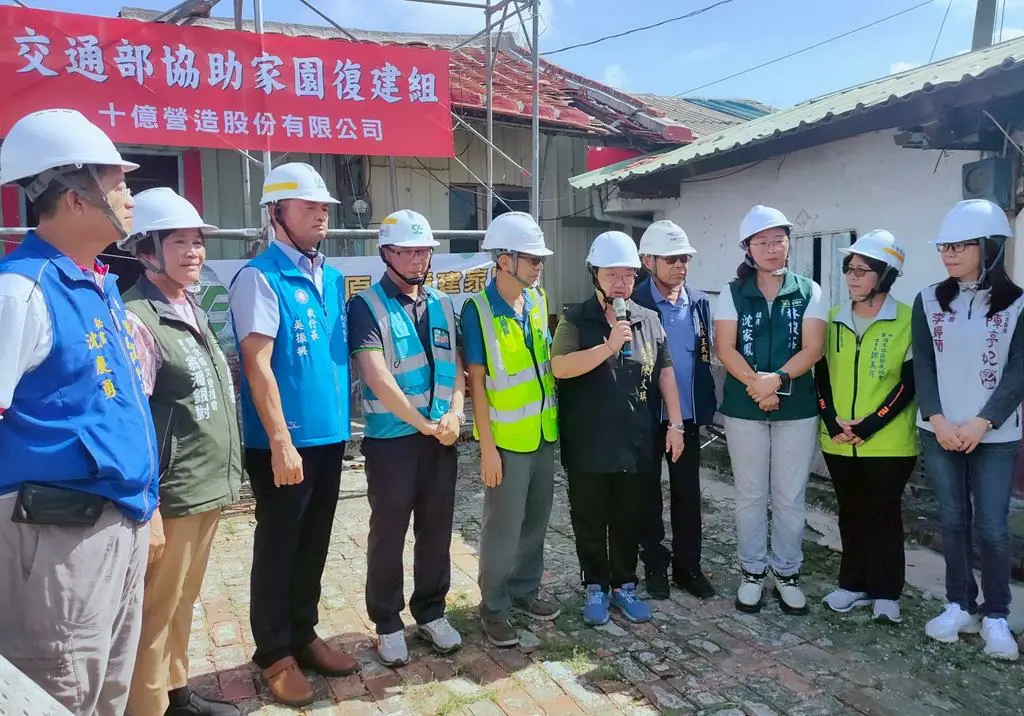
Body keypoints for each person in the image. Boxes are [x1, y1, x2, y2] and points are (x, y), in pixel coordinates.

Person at [0, 108, 157, 716]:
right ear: (73, 198)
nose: (130, 198)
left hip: (116, 522)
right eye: (117, 184)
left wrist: (147, 504)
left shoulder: (95, 284)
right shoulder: (22, 290)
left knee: (107, 693)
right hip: (56, 538)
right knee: (58, 693)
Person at [230, 163, 356, 707]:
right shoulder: (260, 277)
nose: (320, 215)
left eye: (323, 207)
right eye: (308, 207)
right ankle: (274, 652)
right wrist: (281, 441)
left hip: (329, 436)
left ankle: (303, 632)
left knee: (315, 542)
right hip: (284, 443)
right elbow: (257, 365)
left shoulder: (332, 276)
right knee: (279, 546)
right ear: (275, 213)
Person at [120, 188, 243, 716]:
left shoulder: (187, 303)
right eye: (179, 242)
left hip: (205, 484)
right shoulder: (136, 318)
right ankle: (146, 706)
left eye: (197, 241)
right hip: (173, 493)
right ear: (146, 250)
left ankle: (177, 694)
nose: (194, 252)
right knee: (154, 610)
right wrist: (148, 504)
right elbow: (133, 421)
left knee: (183, 599)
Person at [349, 209, 466, 666]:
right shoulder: (366, 306)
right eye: (408, 251)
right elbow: (376, 376)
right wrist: (423, 423)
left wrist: (455, 413)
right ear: (386, 253)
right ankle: (387, 622)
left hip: (441, 438)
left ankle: (432, 611)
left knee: (436, 530)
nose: (418, 259)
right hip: (393, 442)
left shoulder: (442, 302)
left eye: (424, 251)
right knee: (389, 533)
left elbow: (456, 367)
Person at [551, 231, 684, 627]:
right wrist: (608, 347)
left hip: (637, 440)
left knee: (629, 518)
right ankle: (595, 585)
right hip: (588, 441)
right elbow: (560, 367)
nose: (621, 283)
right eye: (612, 275)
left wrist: (676, 424)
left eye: (628, 275)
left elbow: (665, 371)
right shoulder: (576, 318)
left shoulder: (648, 318)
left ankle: (625, 584)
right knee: (590, 519)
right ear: (594, 275)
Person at [913, 199, 1024, 661]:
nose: (949, 254)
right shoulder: (928, 300)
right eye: (945, 246)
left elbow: (1018, 371)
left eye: (960, 245)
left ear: (989, 247)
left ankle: (996, 613)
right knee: (953, 520)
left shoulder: (1018, 304)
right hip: (940, 431)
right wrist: (937, 419)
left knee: (992, 527)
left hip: (994, 436)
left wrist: (983, 421)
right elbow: (922, 364)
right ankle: (959, 603)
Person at [714, 205, 827, 616]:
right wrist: (757, 386)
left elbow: (813, 348)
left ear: (788, 244)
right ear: (748, 248)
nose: (771, 248)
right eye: (762, 242)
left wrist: (775, 381)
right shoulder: (732, 293)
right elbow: (725, 348)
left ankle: (787, 572)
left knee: (789, 495)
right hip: (745, 407)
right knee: (750, 493)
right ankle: (752, 571)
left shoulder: (809, 291)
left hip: (796, 408)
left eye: (778, 240)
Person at [462, 212, 561, 647]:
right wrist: (486, 448)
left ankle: (525, 590)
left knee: (537, 520)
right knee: (502, 528)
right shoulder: (478, 311)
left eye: (540, 259)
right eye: (532, 258)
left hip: (543, 433)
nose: (539, 266)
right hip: (506, 442)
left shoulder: (536, 301)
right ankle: (494, 606)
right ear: (504, 260)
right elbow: (477, 385)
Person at [814, 230, 917, 625]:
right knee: (850, 512)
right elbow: (820, 376)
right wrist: (830, 419)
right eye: (849, 269)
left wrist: (871, 424)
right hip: (839, 439)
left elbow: (910, 382)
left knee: (884, 514)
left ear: (885, 276)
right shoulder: (833, 319)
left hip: (889, 442)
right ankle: (853, 584)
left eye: (862, 270)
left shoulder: (908, 320)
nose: (852, 278)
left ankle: (887, 592)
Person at [632, 220, 717, 600]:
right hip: (648, 416)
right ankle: (654, 563)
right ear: (647, 261)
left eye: (684, 258)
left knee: (687, 494)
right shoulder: (635, 302)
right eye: (671, 259)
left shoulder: (699, 302)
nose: (680, 266)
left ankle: (688, 567)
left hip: (687, 417)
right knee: (646, 494)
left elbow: (702, 356)